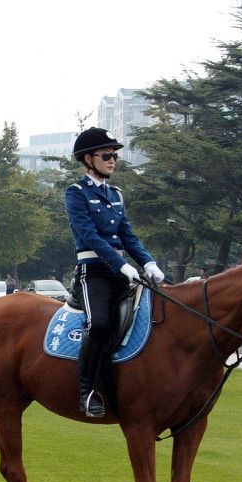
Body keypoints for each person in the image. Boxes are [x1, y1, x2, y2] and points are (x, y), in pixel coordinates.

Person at [65, 128, 165, 418]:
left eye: (115, 156)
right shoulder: (76, 193)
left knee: (153, 315)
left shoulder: (116, 194)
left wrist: (148, 263)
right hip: (93, 272)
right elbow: (89, 235)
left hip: (123, 273)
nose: (113, 160)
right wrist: (121, 265)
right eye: (107, 155)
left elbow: (128, 235)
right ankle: (86, 391)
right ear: (88, 159)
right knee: (99, 324)